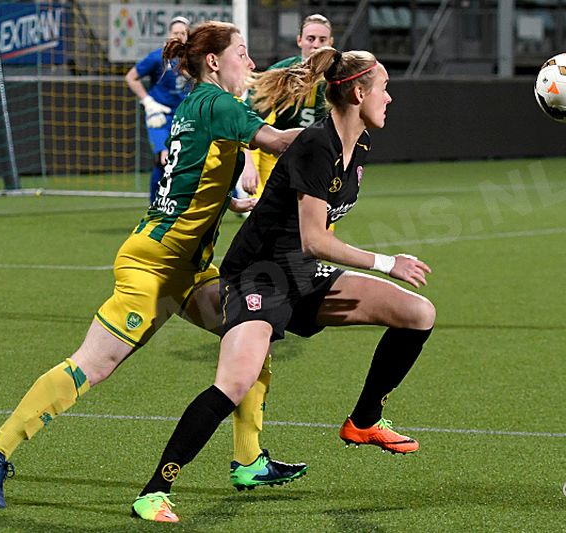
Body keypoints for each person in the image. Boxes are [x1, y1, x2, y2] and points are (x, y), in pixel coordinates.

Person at [0, 21, 308, 513]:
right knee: (94, 365)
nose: (250, 64)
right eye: (242, 53)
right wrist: (336, 133)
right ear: (214, 62)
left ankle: (249, 459)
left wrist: (228, 203)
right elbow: (278, 143)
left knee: (251, 334)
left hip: (188, 268)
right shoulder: (216, 102)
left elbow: (194, 173)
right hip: (153, 266)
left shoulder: (200, 105)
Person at [132, 46, 436, 523]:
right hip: (259, 276)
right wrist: (385, 262)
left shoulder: (358, 148)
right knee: (233, 383)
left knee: (418, 314)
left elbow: (312, 245)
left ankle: (364, 421)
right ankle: (154, 490)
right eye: (384, 88)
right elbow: (315, 239)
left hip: (301, 275)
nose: (390, 98)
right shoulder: (319, 144)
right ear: (358, 92)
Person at [239, 13, 334, 198]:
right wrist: (247, 164)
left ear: (331, 42)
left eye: (322, 39)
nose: (315, 45)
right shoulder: (282, 73)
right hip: (279, 159)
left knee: (320, 223)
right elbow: (245, 114)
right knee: (270, 219)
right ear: (299, 40)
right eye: (310, 38)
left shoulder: (339, 77)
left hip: (319, 161)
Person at [125, 16, 190, 204]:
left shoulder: (192, 59)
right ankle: (155, 205)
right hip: (160, 117)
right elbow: (131, 77)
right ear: (169, 35)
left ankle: (235, 198)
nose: (179, 36)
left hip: (185, 118)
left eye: (183, 33)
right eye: (175, 33)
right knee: (164, 158)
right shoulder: (157, 57)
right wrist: (148, 102)